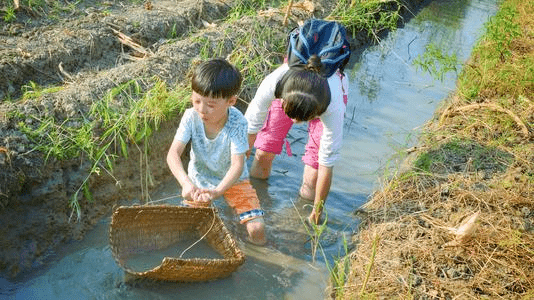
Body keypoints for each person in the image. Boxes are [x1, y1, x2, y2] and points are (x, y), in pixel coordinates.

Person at [167, 58, 266, 245]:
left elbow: (238, 165)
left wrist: (218, 191)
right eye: (196, 101)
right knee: (188, 227)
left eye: (211, 105)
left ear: (231, 101)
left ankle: (255, 256)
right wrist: (186, 184)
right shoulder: (190, 117)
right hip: (199, 181)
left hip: (234, 181)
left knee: (257, 229)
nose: (202, 110)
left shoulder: (237, 123)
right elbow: (173, 154)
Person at [245, 54, 349, 225]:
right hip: (293, 90)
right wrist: (234, 181)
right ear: (283, 101)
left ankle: (300, 219)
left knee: (313, 177)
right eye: (291, 116)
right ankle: (257, 196)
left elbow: (326, 164)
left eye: (302, 120)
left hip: (323, 98)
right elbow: (248, 132)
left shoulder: (333, 108)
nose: (295, 123)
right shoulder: (275, 84)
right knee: (264, 150)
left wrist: (317, 212)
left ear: (316, 114)